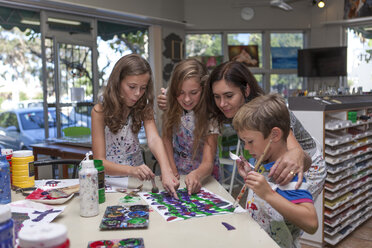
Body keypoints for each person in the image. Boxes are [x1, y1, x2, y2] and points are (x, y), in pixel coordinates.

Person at [158, 61, 325, 198]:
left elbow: (295, 151)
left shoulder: (265, 110)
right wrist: (170, 101)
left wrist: (297, 153)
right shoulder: (219, 108)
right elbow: (190, 97)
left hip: (308, 165)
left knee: (284, 221)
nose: (222, 103)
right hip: (272, 163)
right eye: (217, 96)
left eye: (229, 95)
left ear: (246, 90)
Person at [232, 94, 318, 247]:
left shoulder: (287, 175)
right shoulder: (266, 163)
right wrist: (250, 175)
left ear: (274, 135)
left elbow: (311, 223)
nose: (246, 148)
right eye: (244, 142)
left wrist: (268, 194)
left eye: (250, 141)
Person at [91, 54, 179, 197]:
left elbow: (154, 140)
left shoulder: (144, 106)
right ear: (118, 82)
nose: (137, 93)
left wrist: (166, 169)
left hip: (137, 182)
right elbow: (99, 162)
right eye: (132, 87)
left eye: (143, 88)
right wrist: (131, 170)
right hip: (109, 183)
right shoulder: (99, 112)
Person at [162, 59, 220, 195]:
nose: (187, 99)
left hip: (204, 177)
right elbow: (166, 138)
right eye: (181, 92)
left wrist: (197, 175)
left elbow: (208, 162)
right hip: (176, 173)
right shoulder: (171, 104)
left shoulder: (211, 116)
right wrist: (172, 169)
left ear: (204, 89)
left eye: (194, 93)